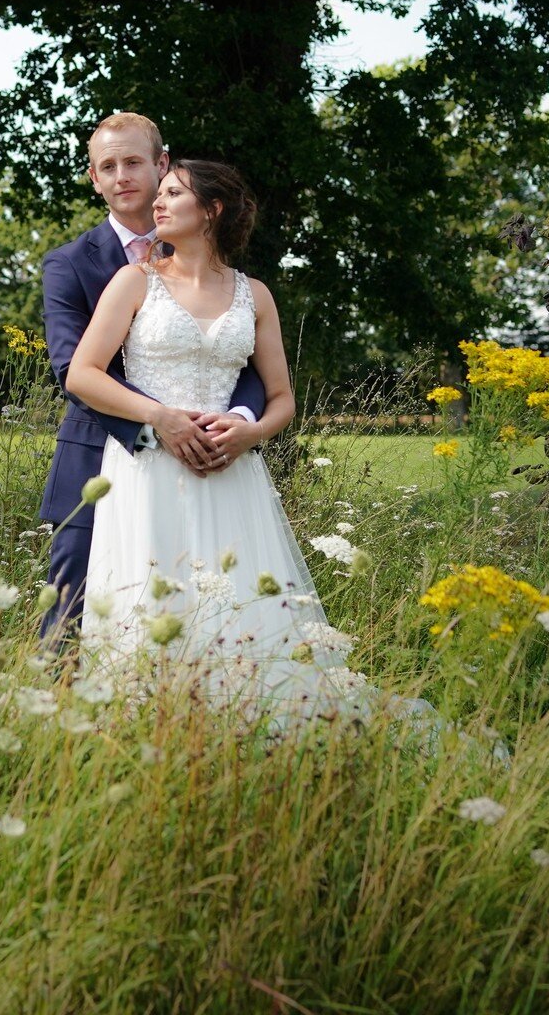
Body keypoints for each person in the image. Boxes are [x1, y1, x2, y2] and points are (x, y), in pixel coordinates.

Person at [65, 159, 408, 725]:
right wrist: (161, 418)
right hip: (147, 469)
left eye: (174, 193)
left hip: (231, 474)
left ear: (212, 210)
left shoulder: (256, 295)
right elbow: (83, 374)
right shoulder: (135, 281)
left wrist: (250, 433)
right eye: (163, 192)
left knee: (239, 603)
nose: (159, 201)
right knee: (147, 599)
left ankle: (248, 723)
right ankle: (142, 725)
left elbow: (282, 400)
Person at [37, 114, 266, 648]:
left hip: (211, 460)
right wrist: (160, 424)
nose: (122, 176)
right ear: (94, 179)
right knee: (76, 615)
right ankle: (57, 725)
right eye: (107, 167)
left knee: (210, 606)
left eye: (134, 162)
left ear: (161, 164)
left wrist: (239, 421)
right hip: (99, 460)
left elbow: (244, 360)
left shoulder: (214, 259)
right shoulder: (69, 264)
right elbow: (72, 369)